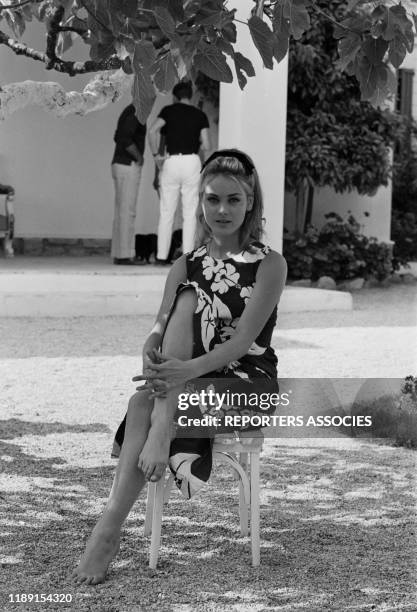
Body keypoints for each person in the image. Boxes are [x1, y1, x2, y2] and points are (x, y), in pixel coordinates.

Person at [71, 149, 287, 585]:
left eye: (233, 200)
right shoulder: (184, 265)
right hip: (187, 379)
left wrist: (174, 378)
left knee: (144, 403)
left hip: (247, 381)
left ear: (250, 204)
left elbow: (242, 343)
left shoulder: (270, 265)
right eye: (212, 199)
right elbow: (158, 329)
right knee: (176, 320)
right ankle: (109, 528)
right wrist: (152, 360)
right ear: (201, 202)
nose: (222, 210)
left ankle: (158, 432)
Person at [148, 81, 211, 263]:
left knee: (167, 211)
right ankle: (187, 256)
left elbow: (153, 131)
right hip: (192, 161)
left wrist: (156, 155)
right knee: (190, 212)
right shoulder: (200, 115)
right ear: (190, 96)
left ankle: (161, 256)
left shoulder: (168, 111)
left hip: (171, 160)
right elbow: (207, 145)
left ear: (175, 97)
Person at [111, 103, 147, 265]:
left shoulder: (130, 110)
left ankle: (120, 254)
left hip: (120, 163)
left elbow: (118, 135)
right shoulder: (136, 111)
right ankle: (125, 255)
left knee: (121, 211)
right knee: (127, 212)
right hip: (127, 164)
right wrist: (139, 157)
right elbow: (123, 137)